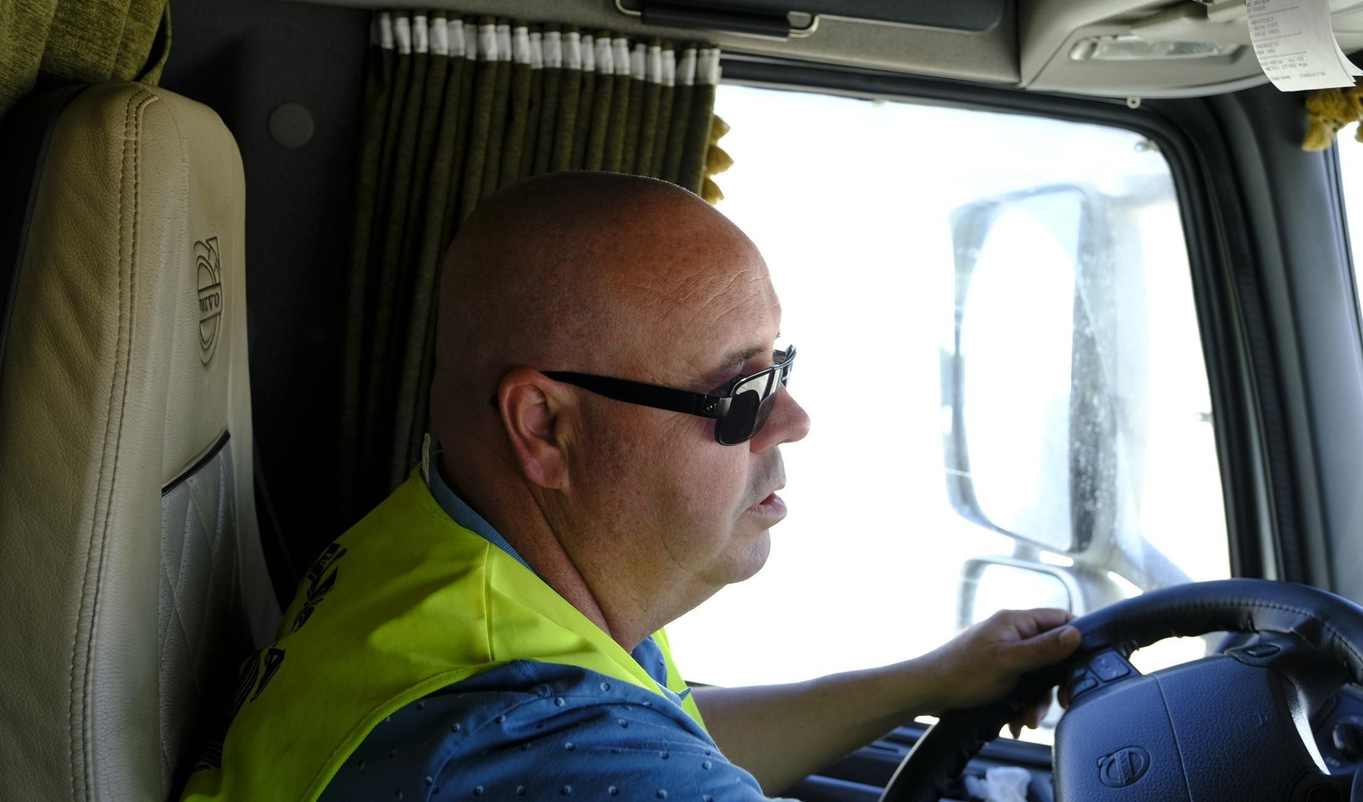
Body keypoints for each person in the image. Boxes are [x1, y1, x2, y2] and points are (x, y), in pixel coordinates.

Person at [181, 171, 1081, 801]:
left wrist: (928, 679)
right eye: (740, 394)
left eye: (782, 367)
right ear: (545, 427)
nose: (793, 418)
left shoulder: (463, 553)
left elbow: (656, 730)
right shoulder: (509, 735)